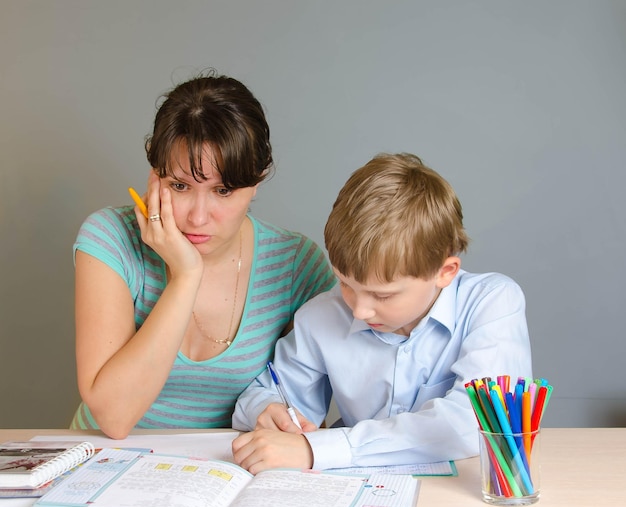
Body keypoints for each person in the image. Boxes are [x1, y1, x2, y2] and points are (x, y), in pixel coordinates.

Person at [70, 70, 336, 439]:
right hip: (104, 460)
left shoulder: (296, 264)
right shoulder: (110, 239)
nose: (197, 217)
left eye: (223, 191)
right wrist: (186, 276)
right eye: (179, 186)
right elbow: (113, 418)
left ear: (257, 181)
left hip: (223, 472)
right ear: (154, 176)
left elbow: (304, 419)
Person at [231, 152, 532, 474]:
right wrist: (267, 409)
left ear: (445, 272)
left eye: (382, 294)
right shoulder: (321, 316)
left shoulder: (492, 302)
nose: (359, 310)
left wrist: (318, 448)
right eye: (345, 283)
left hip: (460, 492)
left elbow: (473, 422)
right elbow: (259, 395)